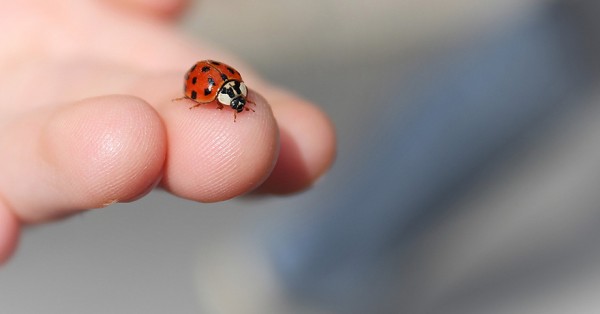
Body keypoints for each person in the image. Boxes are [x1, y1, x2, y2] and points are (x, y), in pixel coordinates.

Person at [0, 0, 336, 264]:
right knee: (126, 140)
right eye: (234, 100)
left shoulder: (228, 89)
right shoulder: (217, 90)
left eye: (236, 100)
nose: (237, 103)